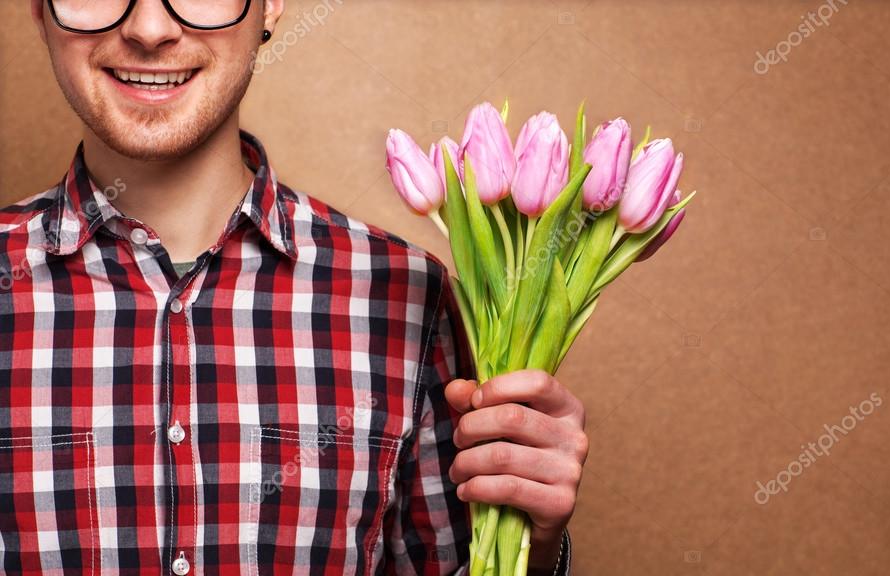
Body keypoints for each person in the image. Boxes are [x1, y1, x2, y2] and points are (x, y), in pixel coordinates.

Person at [0, 1, 588, 574]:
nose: (150, 28)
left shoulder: (409, 296)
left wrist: (531, 548)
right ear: (38, 10)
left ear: (271, 6)